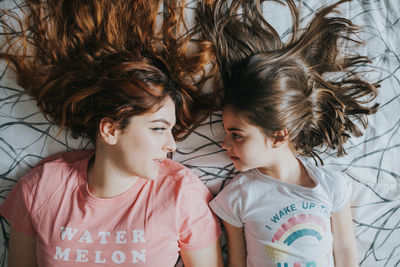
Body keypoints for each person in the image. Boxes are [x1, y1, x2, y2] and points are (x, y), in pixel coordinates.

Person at [0, 0, 223, 266]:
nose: (171, 145)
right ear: (111, 130)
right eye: (158, 129)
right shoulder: (41, 188)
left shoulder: (181, 194)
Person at [197, 0, 379, 266]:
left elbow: (345, 252)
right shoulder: (237, 197)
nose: (225, 144)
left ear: (279, 137)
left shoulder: (331, 185)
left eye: (237, 135)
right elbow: (236, 261)